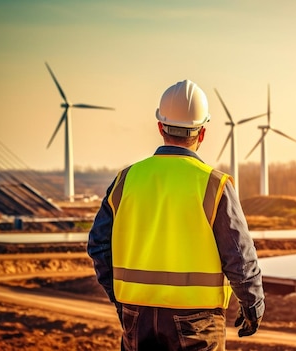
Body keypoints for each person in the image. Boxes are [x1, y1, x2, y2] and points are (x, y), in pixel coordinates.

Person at [87, 79, 265, 351]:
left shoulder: (126, 179)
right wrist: (252, 304)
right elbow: (239, 256)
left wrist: (121, 300)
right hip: (197, 321)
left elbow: (99, 245)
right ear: (202, 132)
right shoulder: (214, 185)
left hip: (137, 316)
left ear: (160, 127)